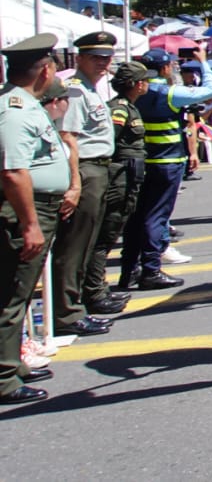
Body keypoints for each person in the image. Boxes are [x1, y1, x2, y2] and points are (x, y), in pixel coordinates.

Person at [0, 35, 73, 406]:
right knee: (12, 294)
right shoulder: (15, 109)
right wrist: (30, 224)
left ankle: (12, 363)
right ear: (45, 71)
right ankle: (3, 377)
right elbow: (13, 171)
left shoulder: (24, 104)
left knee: (22, 292)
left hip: (38, 207)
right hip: (25, 211)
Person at [126, 46, 212, 290]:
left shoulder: (135, 91)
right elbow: (211, 91)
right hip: (167, 161)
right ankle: (151, 269)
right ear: (166, 68)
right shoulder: (169, 93)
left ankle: (130, 270)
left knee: (138, 216)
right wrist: (203, 62)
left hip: (141, 161)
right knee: (157, 217)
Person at [51, 32, 121, 337]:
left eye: (106, 58)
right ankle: (67, 312)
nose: (102, 63)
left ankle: (77, 303)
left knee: (88, 242)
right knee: (75, 244)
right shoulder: (76, 91)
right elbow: (68, 138)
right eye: (95, 58)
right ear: (79, 58)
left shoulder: (91, 89)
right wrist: (75, 182)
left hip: (98, 169)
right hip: (86, 170)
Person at [98, 61, 153, 308]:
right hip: (120, 174)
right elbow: (110, 141)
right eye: (145, 80)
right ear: (137, 84)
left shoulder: (130, 107)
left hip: (130, 175)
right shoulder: (119, 109)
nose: (147, 84)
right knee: (108, 232)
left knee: (122, 226)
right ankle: (96, 290)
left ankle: (106, 284)